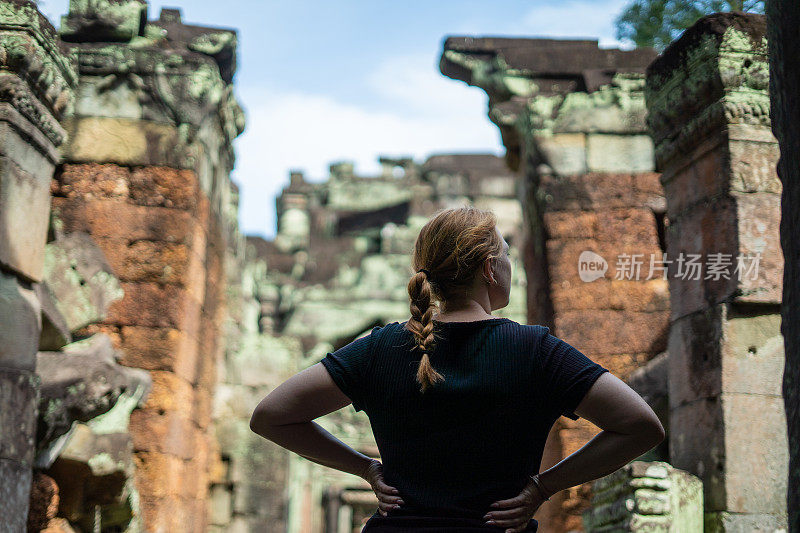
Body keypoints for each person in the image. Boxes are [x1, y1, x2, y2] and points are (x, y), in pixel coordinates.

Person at [250, 206, 665, 532]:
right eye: (505, 255)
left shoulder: (381, 348)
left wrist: (365, 467)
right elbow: (641, 426)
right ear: (489, 267)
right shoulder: (534, 350)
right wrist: (544, 487)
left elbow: (272, 416)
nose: (509, 266)